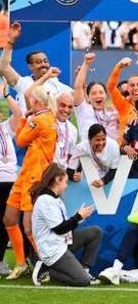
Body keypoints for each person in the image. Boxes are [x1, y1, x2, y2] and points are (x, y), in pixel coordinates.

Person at [3, 85, 58, 279]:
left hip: (33, 179)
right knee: (9, 219)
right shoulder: (48, 118)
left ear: (36, 102)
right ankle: (21, 263)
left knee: (29, 227)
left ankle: (48, 265)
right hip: (25, 176)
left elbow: (20, 140)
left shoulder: (40, 120)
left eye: (30, 100)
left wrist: (25, 118)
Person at [30, 163, 101, 286]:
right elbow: (59, 229)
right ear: (57, 180)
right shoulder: (45, 200)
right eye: (65, 182)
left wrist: (79, 219)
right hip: (53, 249)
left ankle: (84, 269)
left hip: (62, 242)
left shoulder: (55, 199)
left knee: (95, 232)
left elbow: (64, 227)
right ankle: (48, 269)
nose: (66, 186)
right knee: (82, 281)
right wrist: (78, 216)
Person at [0, 22, 73, 114]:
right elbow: (3, 67)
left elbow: (76, 97)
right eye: (38, 62)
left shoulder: (55, 83)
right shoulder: (23, 83)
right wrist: (10, 40)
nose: (43, 64)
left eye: (45, 61)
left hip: (49, 127)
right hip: (28, 126)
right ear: (30, 66)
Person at [0, 78, 22, 276]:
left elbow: (19, 114)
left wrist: (7, 93)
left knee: (6, 221)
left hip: (8, 181)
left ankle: (0, 261)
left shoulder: (5, 128)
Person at [73, 52, 120, 141]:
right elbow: (78, 87)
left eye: (101, 92)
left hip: (113, 153)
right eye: (93, 93)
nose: (98, 95)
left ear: (106, 95)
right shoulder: (84, 110)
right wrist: (86, 64)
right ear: (87, 97)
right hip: (90, 153)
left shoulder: (113, 111)